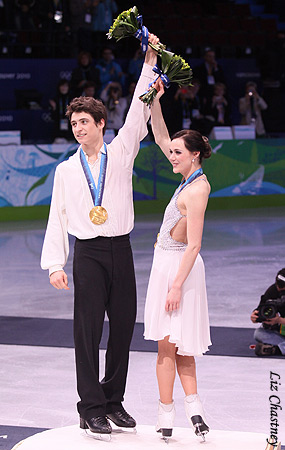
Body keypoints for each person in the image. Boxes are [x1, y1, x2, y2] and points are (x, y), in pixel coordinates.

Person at [40, 34, 159, 438]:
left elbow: (140, 112)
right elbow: (56, 216)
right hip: (87, 253)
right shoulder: (66, 171)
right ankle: (89, 407)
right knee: (87, 332)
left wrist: (150, 59)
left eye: (84, 122)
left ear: (101, 124)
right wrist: (55, 263)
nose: (77, 128)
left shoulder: (122, 151)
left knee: (124, 326)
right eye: (73, 123)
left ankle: (113, 401)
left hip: (120, 249)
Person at [144, 78, 212, 440]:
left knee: (167, 347)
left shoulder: (197, 189)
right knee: (177, 345)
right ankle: (193, 414)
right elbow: (160, 136)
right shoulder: (188, 178)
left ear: (195, 154)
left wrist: (174, 285)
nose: (171, 156)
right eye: (172, 153)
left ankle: (168, 415)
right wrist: (155, 100)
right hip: (170, 266)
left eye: (177, 153)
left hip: (177, 269)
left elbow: (195, 244)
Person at [250, 268, 285, 357]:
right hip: (280, 332)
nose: (280, 290)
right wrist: (255, 316)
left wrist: (279, 320)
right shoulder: (272, 291)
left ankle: (276, 349)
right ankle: (282, 347)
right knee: (259, 334)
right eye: (278, 286)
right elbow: (260, 309)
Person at [49, 78, 73, 143]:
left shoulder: (72, 99)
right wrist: (54, 108)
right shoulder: (55, 99)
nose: (64, 88)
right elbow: (52, 117)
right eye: (62, 86)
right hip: (58, 129)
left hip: (70, 129)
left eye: (66, 86)